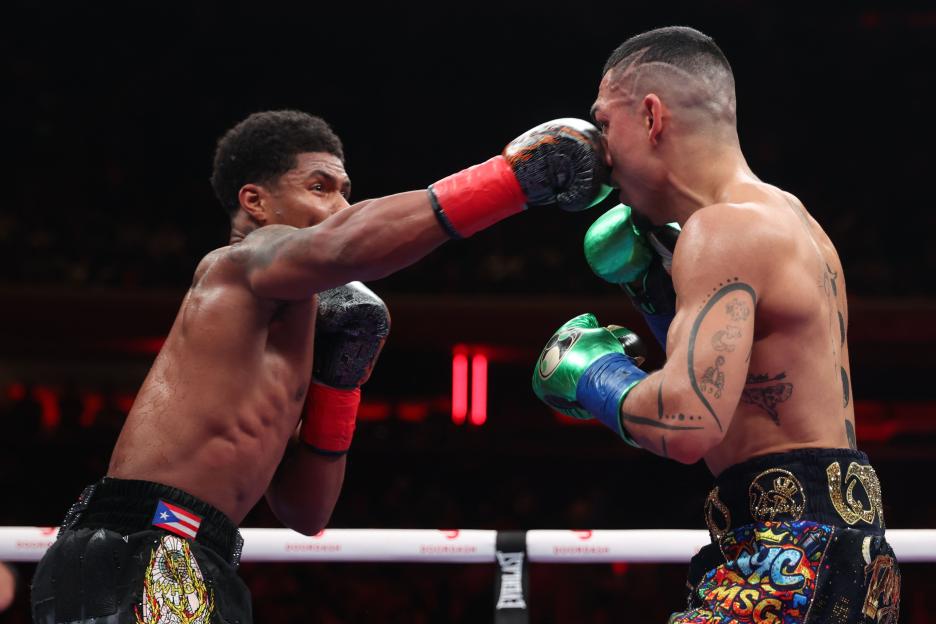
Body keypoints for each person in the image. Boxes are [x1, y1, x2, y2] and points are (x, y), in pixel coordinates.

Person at [31, 110, 609, 623]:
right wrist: (509, 182)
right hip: (147, 541)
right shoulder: (239, 262)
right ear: (255, 202)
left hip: (186, 548)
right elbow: (348, 245)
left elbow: (305, 512)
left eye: (345, 192)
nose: (341, 207)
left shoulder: (294, 321)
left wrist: (339, 385)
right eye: (319, 187)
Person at [532, 27, 900, 623]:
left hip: (792, 554)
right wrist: (653, 289)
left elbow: (687, 422)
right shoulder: (788, 217)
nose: (599, 153)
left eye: (604, 124)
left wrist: (589, 372)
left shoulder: (721, 231)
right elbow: (748, 398)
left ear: (651, 117)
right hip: (830, 544)